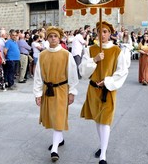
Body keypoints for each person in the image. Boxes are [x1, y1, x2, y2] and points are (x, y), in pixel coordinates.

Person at [79, 21, 128, 164]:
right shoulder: (90, 50)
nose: (103, 34)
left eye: (105, 31)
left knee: (105, 121)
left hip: (108, 90)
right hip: (93, 90)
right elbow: (83, 71)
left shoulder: (116, 51)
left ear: (110, 33)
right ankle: (103, 146)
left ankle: (103, 155)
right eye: (100, 31)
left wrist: (108, 81)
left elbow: (122, 71)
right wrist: (94, 60)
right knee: (98, 120)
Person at [33, 26, 78, 162]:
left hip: (62, 89)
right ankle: (60, 139)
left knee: (58, 116)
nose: (53, 38)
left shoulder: (66, 54)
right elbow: (38, 76)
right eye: (50, 36)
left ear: (59, 38)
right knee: (53, 117)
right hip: (48, 90)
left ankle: (54, 149)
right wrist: (38, 93)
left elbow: (72, 74)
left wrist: (72, 92)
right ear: (47, 38)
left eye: (55, 36)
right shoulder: (43, 55)